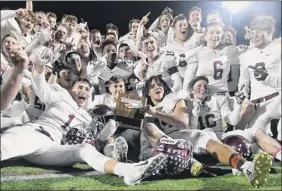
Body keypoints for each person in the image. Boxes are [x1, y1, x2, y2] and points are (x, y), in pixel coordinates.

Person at [0, 50, 167, 186]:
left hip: (51, 148)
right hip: (34, 133)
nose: (84, 91)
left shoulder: (88, 117)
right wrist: (39, 66)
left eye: (87, 89)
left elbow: (96, 142)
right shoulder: (61, 95)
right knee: (4, 147)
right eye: (80, 87)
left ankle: (127, 171)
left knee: (84, 150)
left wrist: (107, 131)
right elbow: (40, 85)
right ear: (72, 88)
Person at [139, 75, 273, 187]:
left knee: (208, 140)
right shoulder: (145, 112)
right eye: (152, 86)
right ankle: (189, 161)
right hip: (164, 142)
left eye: (159, 84)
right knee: (149, 128)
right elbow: (147, 136)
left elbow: (183, 122)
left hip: (183, 134)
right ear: (147, 93)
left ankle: (246, 167)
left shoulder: (175, 100)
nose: (157, 87)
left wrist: (156, 113)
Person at [238, 15, 281, 142]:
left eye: (259, 32)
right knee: (254, 141)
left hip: (278, 99)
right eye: (253, 32)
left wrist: (267, 77)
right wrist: (242, 93)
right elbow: (243, 82)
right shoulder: (246, 54)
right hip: (258, 105)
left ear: (270, 32)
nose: (255, 35)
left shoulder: (278, 48)